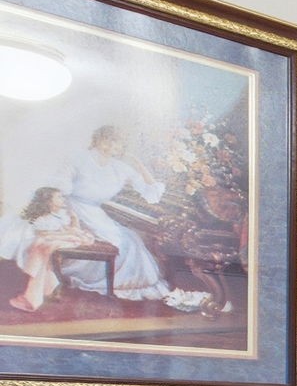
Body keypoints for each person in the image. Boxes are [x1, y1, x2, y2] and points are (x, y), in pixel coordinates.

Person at [62, 125, 173, 301]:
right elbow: (60, 190)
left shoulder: (120, 168)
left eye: (117, 143)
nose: (111, 146)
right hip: (74, 210)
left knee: (132, 239)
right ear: (98, 139)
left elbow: (152, 193)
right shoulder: (80, 159)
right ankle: (97, 279)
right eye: (107, 140)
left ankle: (126, 283)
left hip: (95, 213)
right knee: (126, 241)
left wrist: (139, 165)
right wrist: (70, 216)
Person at [8, 188, 97, 312]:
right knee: (46, 251)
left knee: (54, 251)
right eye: (59, 197)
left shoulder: (62, 215)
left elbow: (74, 229)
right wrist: (65, 233)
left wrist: (74, 220)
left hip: (57, 240)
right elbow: (43, 234)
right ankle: (45, 290)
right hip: (39, 242)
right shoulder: (41, 218)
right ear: (49, 201)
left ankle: (51, 289)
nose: (63, 199)